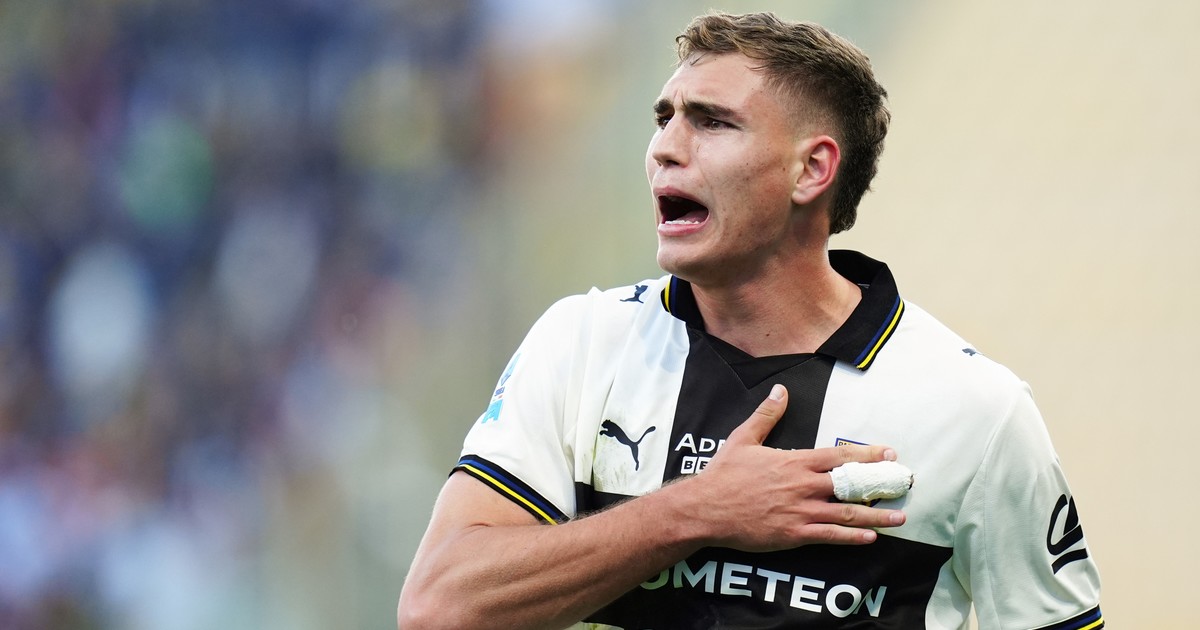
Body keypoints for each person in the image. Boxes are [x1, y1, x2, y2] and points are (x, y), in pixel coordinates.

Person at [397, 11, 1102, 630]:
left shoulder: (976, 411)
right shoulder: (583, 342)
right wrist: (698, 510)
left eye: (712, 122)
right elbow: (439, 608)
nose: (665, 148)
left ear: (811, 170)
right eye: (664, 118)